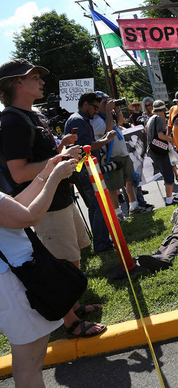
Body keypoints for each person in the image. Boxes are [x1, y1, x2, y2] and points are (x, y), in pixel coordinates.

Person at [0, 61, 106, 340]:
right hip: (43, 202)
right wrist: (59, 160)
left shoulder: (30, 115)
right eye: (35, 77)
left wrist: (60, 148)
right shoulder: (11, 120)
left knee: (74, 254)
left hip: (58, 196)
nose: (42, 82)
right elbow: (18, 171)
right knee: (60, 261)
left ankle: (74, 306)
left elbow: (37, 159)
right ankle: (69, 322)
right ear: (17, 83)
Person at [0, 155, 102, 387]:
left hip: (12, 280)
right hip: (13, 283)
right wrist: (54, 178)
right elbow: (29, 217)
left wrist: (45, 173)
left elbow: (14, 208)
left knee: (28, 363)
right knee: (29, 367)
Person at [64, 92, 118, 254]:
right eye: (95, 107)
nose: (96, 111)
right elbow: (85, 147)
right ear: (85, 104)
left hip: (84, 169)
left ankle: (100, 242)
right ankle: (101, 245)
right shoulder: (78, 120)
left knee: (95, 207)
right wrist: (106, 139)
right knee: (100, 206)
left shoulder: (80, 120)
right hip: (84, 169)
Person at [91, 92, 137, 219]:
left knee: (131, 179)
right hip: (112, 157)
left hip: (123, 154)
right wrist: (107, 111)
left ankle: (134, 206)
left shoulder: (107, 115)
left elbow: (120, 123)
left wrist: (116, 111)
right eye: (104, 102)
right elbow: (108, 129)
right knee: (114, 187)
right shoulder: (96, 120)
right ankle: (118, 214)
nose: (108, 104)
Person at [146, 100, 178, 206]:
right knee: (169, 175)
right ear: (163, 110)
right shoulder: (159, 119)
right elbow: (161, 136)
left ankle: (170, 197)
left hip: (153, 150)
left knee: (167, 174)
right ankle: (169, 200)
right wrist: (170, 139)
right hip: (159, 151)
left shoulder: (151, 118)